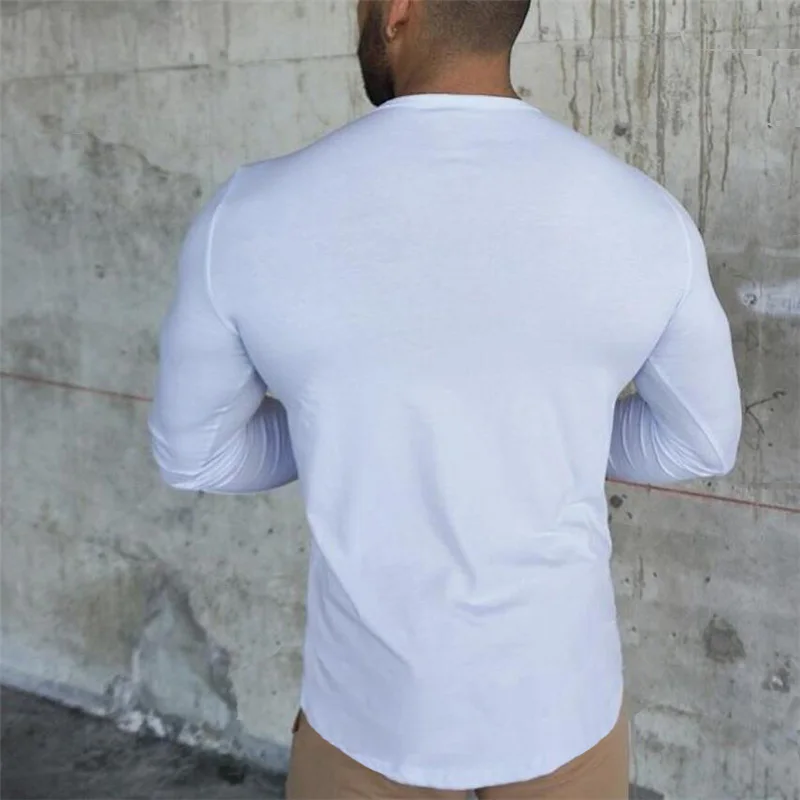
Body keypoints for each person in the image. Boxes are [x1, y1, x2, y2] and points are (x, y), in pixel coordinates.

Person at [149, 0, 743, 797]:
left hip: (367, 716)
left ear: (398, 10)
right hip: (561, 709)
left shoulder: (247, 215)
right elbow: (701, 439)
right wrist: (549, 433)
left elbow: (194, 455)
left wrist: (341, 428)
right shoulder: (644, 216)